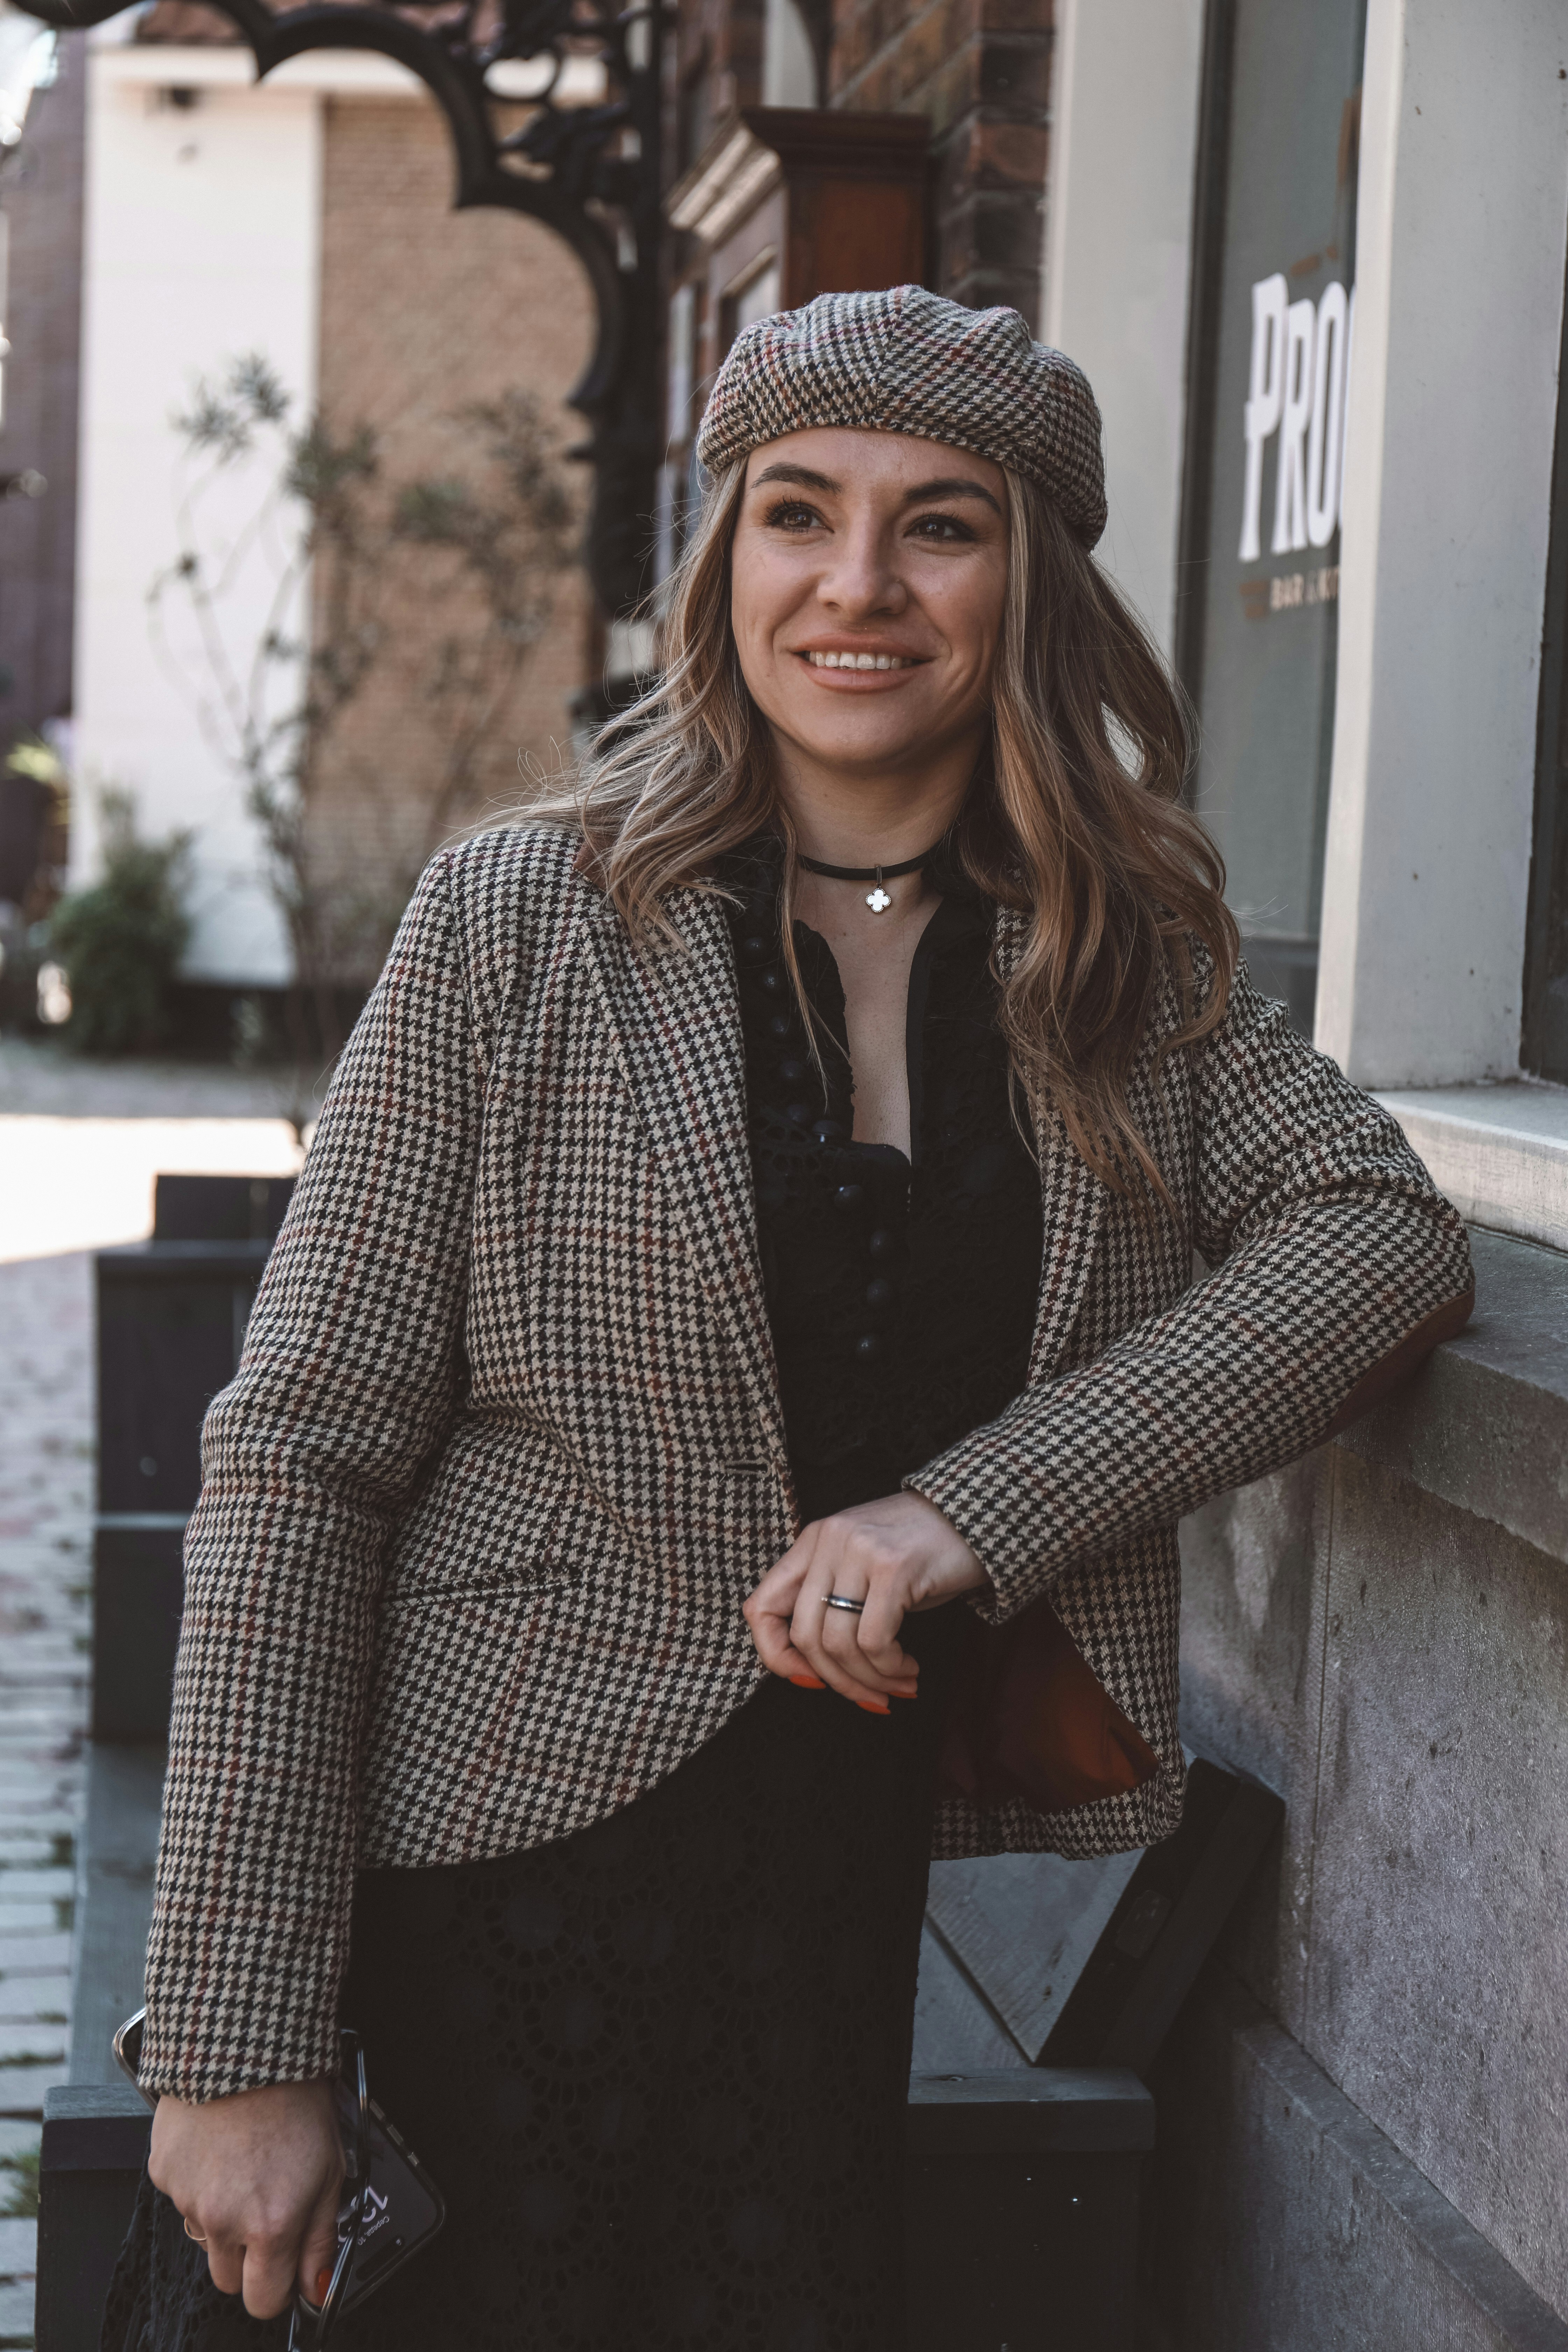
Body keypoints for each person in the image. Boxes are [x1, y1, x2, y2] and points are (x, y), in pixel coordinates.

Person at [104, 285, 1474, 2352]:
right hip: (490, 1886)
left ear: (1030, 582)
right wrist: (235, 2039)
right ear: (721, 552)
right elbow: (297, 1461)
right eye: (797, 513)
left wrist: (969, 1512)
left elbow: (1378, 1230)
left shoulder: (1116, 952)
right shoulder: (523, 922)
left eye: (943, 525)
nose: (860, 584)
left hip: (827, 1904)